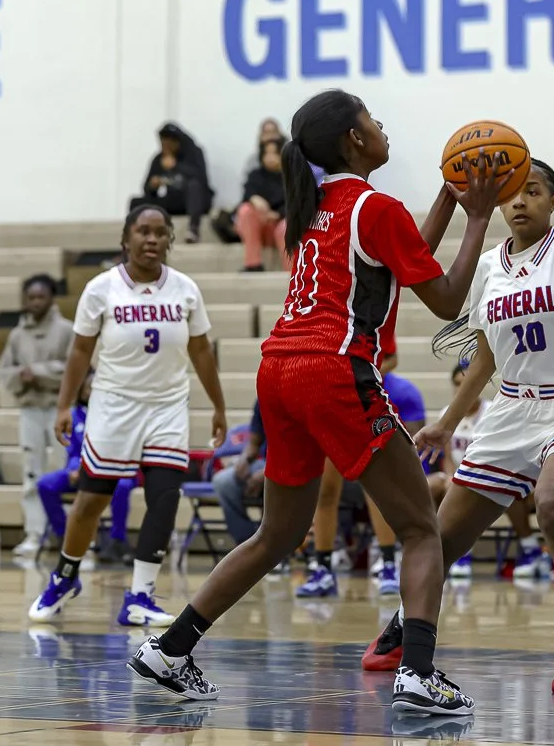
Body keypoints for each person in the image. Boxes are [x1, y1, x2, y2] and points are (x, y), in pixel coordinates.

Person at [128, 88, 508, 711]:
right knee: (421, 529)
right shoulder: (375, 207)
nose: (382, 126)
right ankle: (418, 673)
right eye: (373, 119)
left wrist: (447, 198)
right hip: (333, 371)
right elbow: (445, 300)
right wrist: (477, 218)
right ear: (355, 139)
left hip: (279, 372)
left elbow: (397, 260)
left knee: (277, 535)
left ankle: (169, 649)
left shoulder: (315, 207)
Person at [362, 3, 554, 694]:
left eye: (533, 191)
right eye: (514, 192)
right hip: (509, 411)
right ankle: (405, 627)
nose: (520, 202)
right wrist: (448, 420)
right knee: (441, 536)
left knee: (553, 504)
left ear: (553, 201)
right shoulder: (488, 268)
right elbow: (489, 353)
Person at [28, 205, 227, 628]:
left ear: (170, 239)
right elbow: (80, 351)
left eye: (160, 232)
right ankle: (64, 577)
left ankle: (140, 596)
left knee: (165, 497)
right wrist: (64, 405)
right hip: (114, 404)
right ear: (126, 238)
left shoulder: (186, 289)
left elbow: (201, 350)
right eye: (143, 231)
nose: (152, 239)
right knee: (92, 498)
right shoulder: (101, 288)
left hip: (168, 405)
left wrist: (219, 406)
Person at [297, 355, 427, 599]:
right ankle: (323, 568)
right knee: (326, 493)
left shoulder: (374, 327)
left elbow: (391, 357)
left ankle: (388, 564)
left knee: (374, 493)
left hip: (364, 402)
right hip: (332, 404)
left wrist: (357, 375)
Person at [426, 362, 546, 581]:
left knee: (507, 490)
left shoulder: (491, 412)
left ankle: (529, 548)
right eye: (457, 384)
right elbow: (447, 459)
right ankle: (427, 547)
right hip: (457, 476)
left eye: (465, 384)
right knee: (428, 486)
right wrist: (452, 476)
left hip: (489, 475)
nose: (461, 389)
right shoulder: (447, 414)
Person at [0, 274, 74, 557]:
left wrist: (38, 372)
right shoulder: (17, 334)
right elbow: (5, 372)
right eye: (31, 297)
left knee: (65, 472)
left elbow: (74, 368)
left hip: (60, 409)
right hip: (30, 410)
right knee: (31, 472)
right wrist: (22, 375)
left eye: (41, 296)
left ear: (52, 298)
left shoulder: (67, 330)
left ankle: (69, 535)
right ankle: (34, 533)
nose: (36, 302)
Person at [37, 373, 136, 564]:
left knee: (123, 486)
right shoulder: (74, 416)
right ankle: (64, 535)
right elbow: (73, 451)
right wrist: (75, 470)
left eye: (96, 388)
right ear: (82, 391)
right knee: (45, 485)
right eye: (88, 388)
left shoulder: (119, 417)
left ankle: (117, 540)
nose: (91, 392)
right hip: (81, 472)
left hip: (114, 471)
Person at [131, 123, 214, 244]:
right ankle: (137, 234)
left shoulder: (194, 153)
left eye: (169, 143)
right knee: (135, 202)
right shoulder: (159, 159)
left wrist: (176, 166)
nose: (166, 147)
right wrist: (153, 186)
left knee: (194, 186)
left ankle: (193, 229)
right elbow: (146, 189)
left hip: (193, 201)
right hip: (173, 200)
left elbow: (201, 179)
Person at [210, 405, 267, 547]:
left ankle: (274, 543)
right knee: (223, 482)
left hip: (290, 465)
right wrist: (244, 460)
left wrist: (266, 473)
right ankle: (247, 542)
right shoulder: (262, 401)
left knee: (275, 483)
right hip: (266, 462)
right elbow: (254, 442)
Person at [236, 138, 293, 273]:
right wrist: (254, 198)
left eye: (274, 153)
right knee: (245, 210)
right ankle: (253, 264)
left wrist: (277, 214)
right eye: (267, 153)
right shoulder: (255, 175)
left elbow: (296, 202)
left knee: (285, 226)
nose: (270, 157)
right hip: (261, 225)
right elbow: (246, 195)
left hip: (282, 224)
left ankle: (293, 271)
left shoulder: (292, 175)